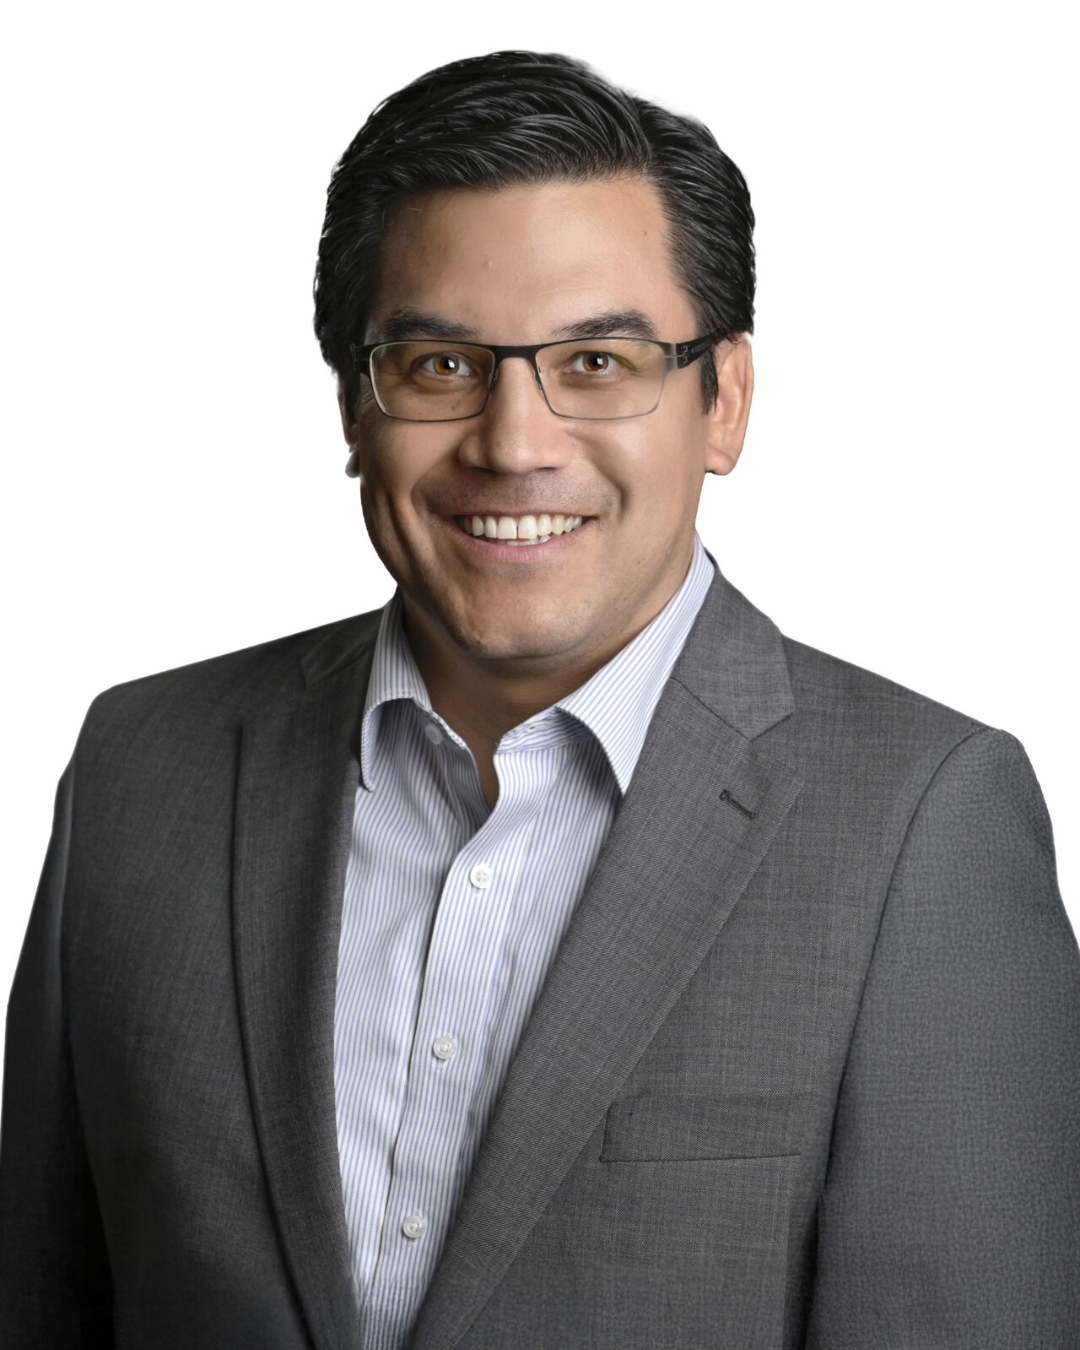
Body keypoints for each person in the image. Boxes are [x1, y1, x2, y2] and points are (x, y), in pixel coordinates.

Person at [1, 47, 1077, 1350]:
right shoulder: (141, 768)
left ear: (723, 399)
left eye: (601, 363)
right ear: (357, 399)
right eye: (441, 363)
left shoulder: (926, 823)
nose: (514, 440)